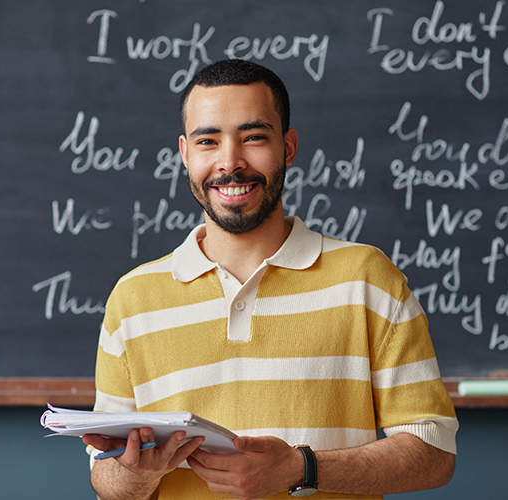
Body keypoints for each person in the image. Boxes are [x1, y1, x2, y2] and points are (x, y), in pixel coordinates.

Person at [83, 59, 458, 500]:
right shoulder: (133, 299)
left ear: (288, 147)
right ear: (185, 153)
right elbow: (104, 475)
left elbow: (434, 452)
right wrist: (135, 475)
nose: (230, 162)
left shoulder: (368, 279)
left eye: (254, 137)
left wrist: (300, 468)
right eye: (208, 141)